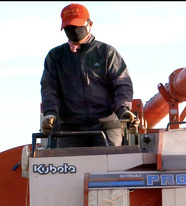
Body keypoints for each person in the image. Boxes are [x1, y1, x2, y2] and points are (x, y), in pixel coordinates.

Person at [40, 3, 138, 148]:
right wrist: (50, 113)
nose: (73, 30)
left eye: (77, 25)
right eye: (69, 27)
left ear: (90, 24)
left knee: (112, 166)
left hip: (106, 126)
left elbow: (122, 84)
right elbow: (49, 89)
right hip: (69, 129)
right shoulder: (56, 56)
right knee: (68, 168)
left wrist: (123, 110)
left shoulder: (106, 53)